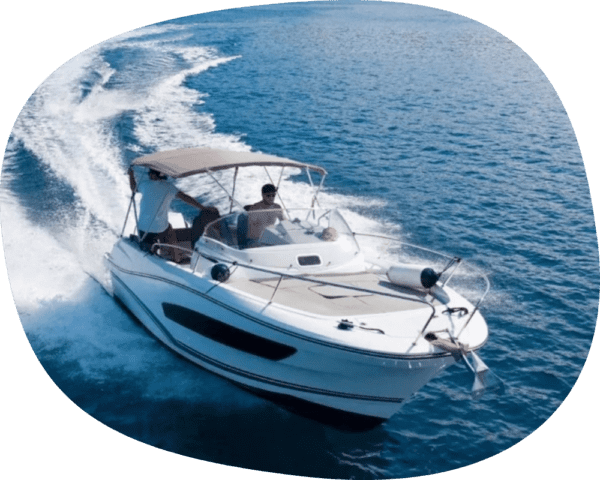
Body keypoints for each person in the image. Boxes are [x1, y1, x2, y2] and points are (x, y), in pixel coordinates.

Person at [128, 167, 219, 261]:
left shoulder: (145, 185)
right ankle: (177, 258)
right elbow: (185, 198)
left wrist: (131, 174)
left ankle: (156, 255)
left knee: (152, 249)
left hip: (144, 228)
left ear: (153, 175)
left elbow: (133, 188)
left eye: (150, 173)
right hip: (161, 229)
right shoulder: (170, 187)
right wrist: (203, 207)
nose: (149, 175)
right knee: (168, 230)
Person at [240, 184, 284, 248]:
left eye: (273, 195)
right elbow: (251, 228)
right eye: (268, 195)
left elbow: (284, 221)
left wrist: (292, 223)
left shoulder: (277, 207)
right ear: (262, 195)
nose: (271, 198)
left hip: (271, 239)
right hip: (255, 241)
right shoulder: (255, 208)